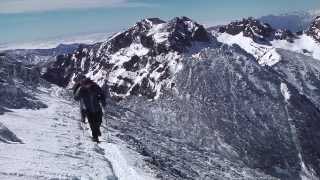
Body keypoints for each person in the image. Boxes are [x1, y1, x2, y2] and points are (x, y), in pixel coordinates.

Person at [74, 78, 106, 142]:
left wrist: (102, 100)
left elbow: (102, 94)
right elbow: (76, 98)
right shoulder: (82, 90)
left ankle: (97, 130)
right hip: (88, 109)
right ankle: (95, 137)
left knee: (99, 121)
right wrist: (79, 91)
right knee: (92, 123)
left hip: (97, 108)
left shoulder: (95, 87)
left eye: (88, 84)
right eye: (85, 85)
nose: (87, 86)